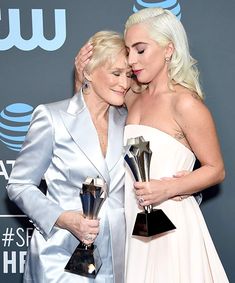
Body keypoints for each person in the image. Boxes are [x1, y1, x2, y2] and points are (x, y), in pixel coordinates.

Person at [75, 7, 229, 283]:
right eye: (128, 50)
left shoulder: (185, 103)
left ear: (168, 49)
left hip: (171, 225)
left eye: (140, 50)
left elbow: (216, 169)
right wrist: (81, 76)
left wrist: (170, 188)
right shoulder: (133, 96)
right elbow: (86, 119)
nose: (131, 59)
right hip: (133, 223)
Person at [6, 30, 132, 283]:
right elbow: (19, 185)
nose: (124, 83)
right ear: (88, 72)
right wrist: (63, 219)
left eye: (129, 75)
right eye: (116, 73)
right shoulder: (52, 118)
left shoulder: (130, 121)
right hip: (60, 255)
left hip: (120, 258)